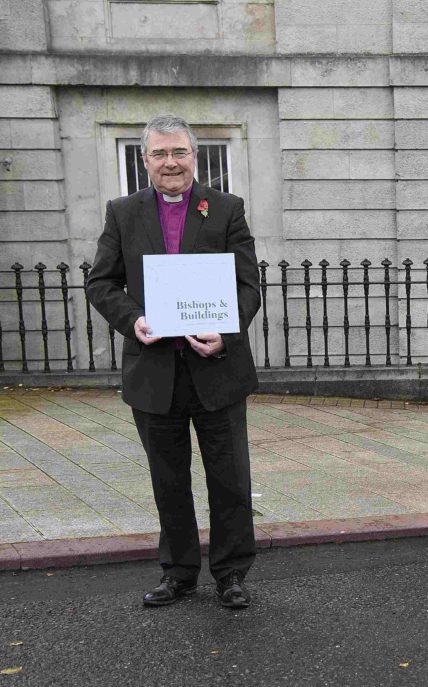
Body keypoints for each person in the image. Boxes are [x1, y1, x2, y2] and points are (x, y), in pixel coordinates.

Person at [86, 115, 261, 609]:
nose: (170, 163)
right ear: (145, 161)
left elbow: (248, 285)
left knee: (230, 479)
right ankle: (179, 572)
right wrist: (134, 319)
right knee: (169, 479)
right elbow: (101, 282)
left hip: (216, 369)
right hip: (154, 370)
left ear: (194, 156)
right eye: (159, 154)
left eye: (179, 152)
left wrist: (225, 334)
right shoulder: (123, 213)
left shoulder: (226, 209)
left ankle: (231, 573)